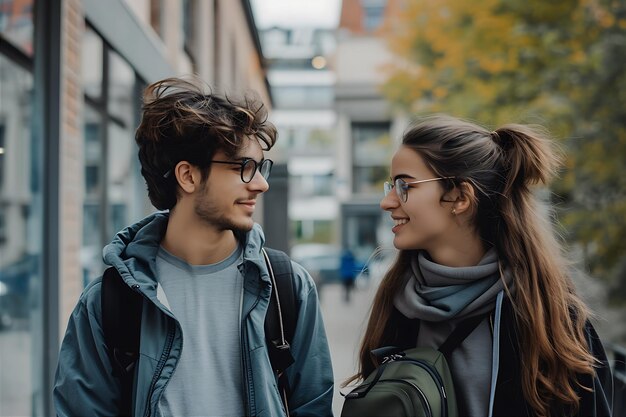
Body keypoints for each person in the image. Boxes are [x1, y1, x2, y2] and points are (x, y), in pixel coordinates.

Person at [54, 77, 334, 417]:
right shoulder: (110, 300)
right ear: (188, 176)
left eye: (261, 168)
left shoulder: (286, 288)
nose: (261, 184)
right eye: (243, 167)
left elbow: (313, 407)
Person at [344, 115, 613, 416]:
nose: (387, 202)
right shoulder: (397, 300)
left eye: (405, 186)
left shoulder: (548, 312)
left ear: (459, 197)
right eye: (390, 186)